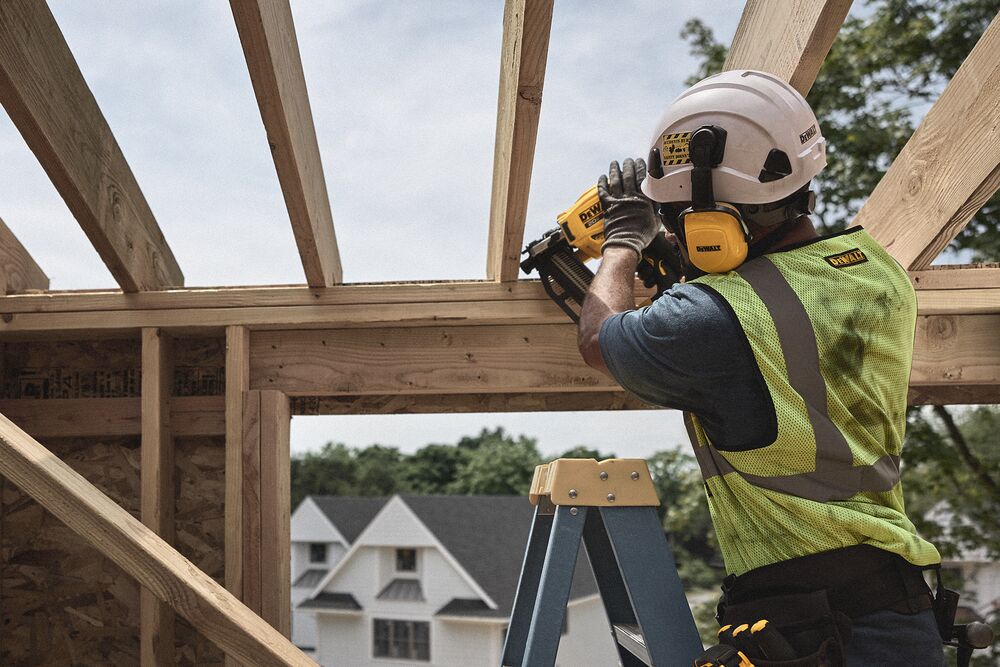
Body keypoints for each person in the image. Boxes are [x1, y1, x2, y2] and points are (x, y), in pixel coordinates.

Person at [577, 70, 946, 666]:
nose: (672, 228)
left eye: (676, 217)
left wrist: (624, 240)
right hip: (898, 614)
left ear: (708, 225)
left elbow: (599, 340)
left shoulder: (708, 321)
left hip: (812, 631)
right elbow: (780, 305)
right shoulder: (878, 272)